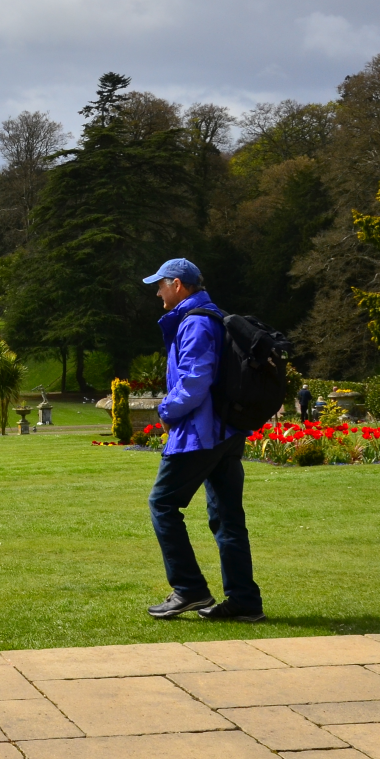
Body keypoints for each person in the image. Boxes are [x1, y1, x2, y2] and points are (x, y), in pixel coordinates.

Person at [142, 258, 265, 623]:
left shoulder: (194, 322)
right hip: (226, 432)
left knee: (162, 504)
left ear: (178, 285)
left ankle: (189, 589)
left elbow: (195, 381)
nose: (158, 292)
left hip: (201, 434)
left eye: (161, 284)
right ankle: (244, 601)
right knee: (228, 517)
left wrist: (166, 410)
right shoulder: (210, 316)